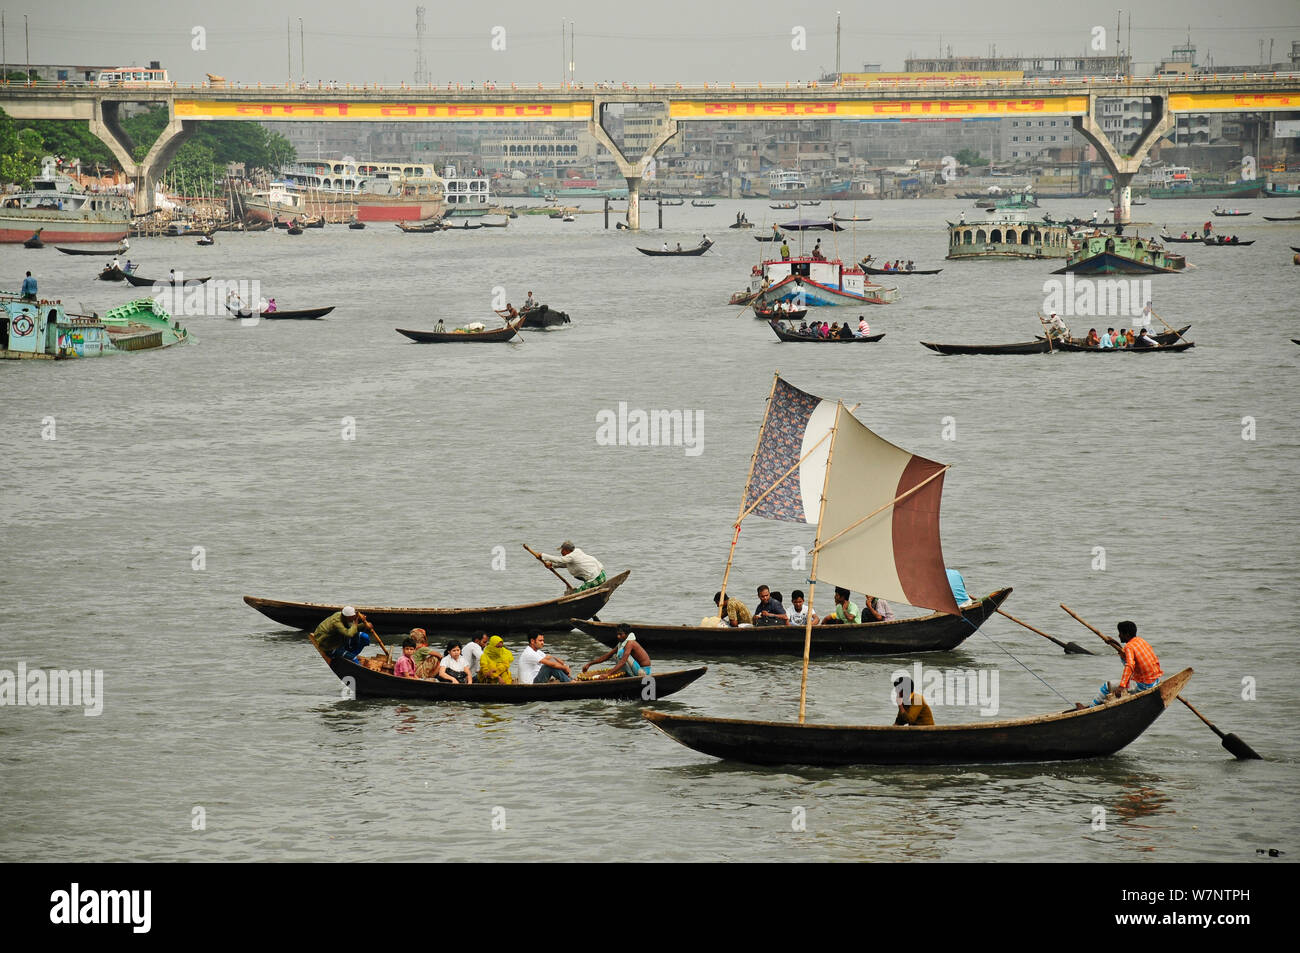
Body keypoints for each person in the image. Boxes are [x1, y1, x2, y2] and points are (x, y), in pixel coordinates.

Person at [1085, 621, 1163, 707]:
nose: (1119, 636)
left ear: (1127, 634)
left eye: (1120, 633)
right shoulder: (1141, 641)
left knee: (1106, 687)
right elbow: (1127, 657)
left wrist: (1121, 686)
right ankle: (1100, 703)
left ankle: (1091, 707)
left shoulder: (1129, 647)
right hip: (1155, 681)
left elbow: (1129, 665)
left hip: (1144, 685)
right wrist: (1115, 643)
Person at [583, 623, 652, 678]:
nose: (618, 636)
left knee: (621, 653)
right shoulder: (621, 643)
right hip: (638, 669)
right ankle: (627, 674)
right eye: (617, 634)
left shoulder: (630, 643)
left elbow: (623, 661)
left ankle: (630, 676)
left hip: (643, 672)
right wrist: (590, 664)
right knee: (617, 653)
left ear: (627, 634)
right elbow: (607, 656)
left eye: (620, 634)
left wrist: (608, 674)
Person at [540, 541, 606, 591]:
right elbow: (565, 564)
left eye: (562, 550)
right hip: (601, 575)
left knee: (577, 593)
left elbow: (560, 560)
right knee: (577, 591)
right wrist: (552, 565)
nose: (561, 552)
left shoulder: (572, 556)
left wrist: (543, 556)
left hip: (596, 578)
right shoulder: (575, 554)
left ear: (566, 550)